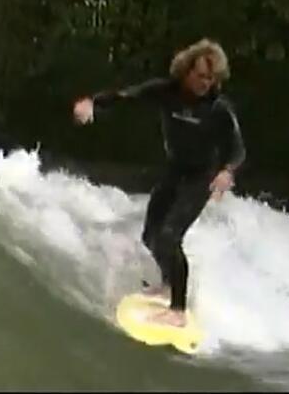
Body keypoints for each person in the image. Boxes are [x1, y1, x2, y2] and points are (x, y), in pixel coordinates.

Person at [72, 38, 246, 327]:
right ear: (186, 71)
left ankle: (178, 311)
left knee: (169, 237)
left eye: (211, 78)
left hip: (201, 177)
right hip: (176, 171)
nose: (206, 83)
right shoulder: (167, 91)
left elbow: (238, 149)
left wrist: (227, 171)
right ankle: (167, 284)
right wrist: (93, 102)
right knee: (150, 236)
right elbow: (126, 96)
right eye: (201, 76)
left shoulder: (218, 108)